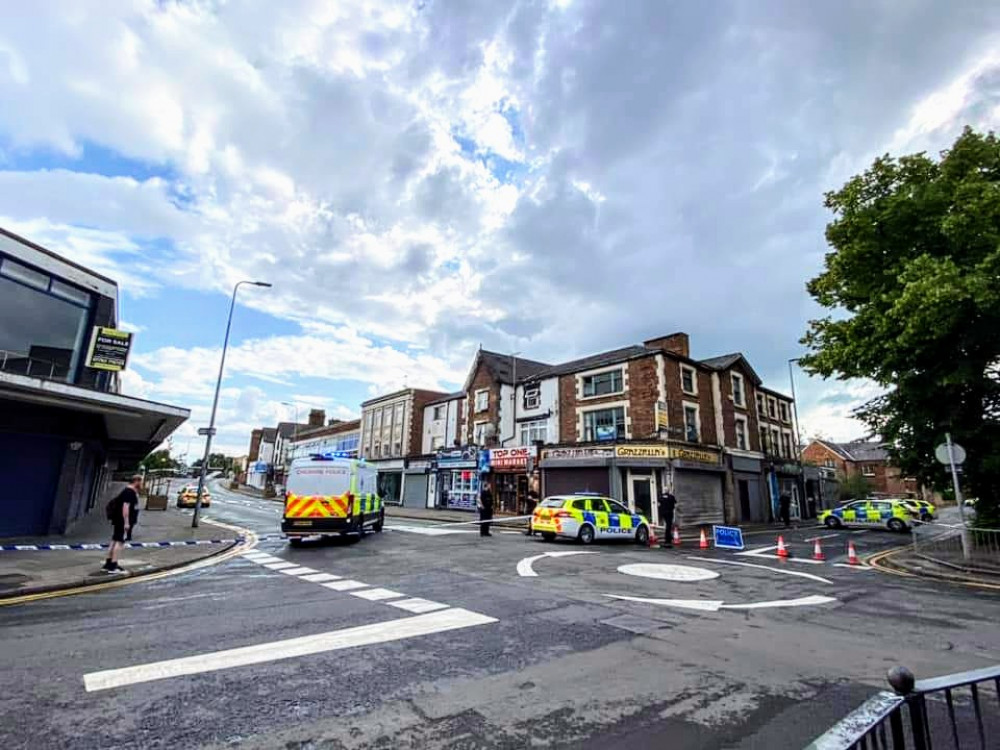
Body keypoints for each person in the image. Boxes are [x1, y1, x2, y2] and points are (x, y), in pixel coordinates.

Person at [104, 475, 141, 573]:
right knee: (120, 542)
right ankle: (113, 565)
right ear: (136, 481)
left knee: (114, 540)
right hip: (123, 521)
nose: (142, 484)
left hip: (119, 520)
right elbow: (126, 507)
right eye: (141, 481)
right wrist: (127, 522)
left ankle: (108, 563)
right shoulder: (129, 492)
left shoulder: (127, 491)